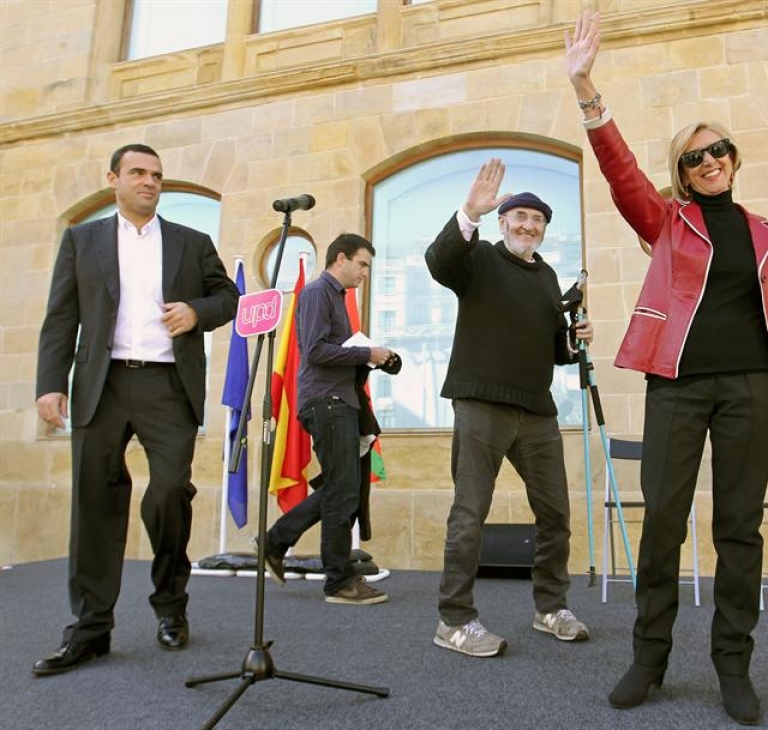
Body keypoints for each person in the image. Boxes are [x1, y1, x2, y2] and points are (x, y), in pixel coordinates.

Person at [564, 12, 768, 725]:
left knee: (740, 529)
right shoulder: (666, 222)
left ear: (735, 159)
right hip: (677, 388)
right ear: (680, 172)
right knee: (665, 524)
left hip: (751, 390)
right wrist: (587, 88)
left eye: (719, 151)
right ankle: (649, 659)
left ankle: (732, 665)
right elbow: (621, 174)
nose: (709, 161)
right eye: (693, 157)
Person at [33, 143, 239, 676]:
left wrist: (197, 311)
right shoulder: (83, 239)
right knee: (96, 505)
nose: (149, 182)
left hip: (168, 386)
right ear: (114, 179)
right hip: (101, 385)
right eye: (138, 173)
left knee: (170, 492)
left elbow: (230, 298)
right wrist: (51, 384)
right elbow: (61, 317)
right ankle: (90, 628)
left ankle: (170, 606)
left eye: (157, 175)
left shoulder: (192, 242)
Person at [426, 162, 594, 658]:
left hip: (537, 411)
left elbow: (551, 348)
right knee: (470, 514)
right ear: (502, 222)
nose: (528, 225)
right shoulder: (477, 257)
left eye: (537, 219)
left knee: (555, 514)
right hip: (481, 404)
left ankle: (550, 608)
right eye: (518, 216)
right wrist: (467, 213)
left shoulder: (546, 277)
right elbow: (440, 262)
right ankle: (454, 620)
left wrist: (572, 340)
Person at [259, 233, 398, 605]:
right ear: (341, 258)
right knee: (343, 490)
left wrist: (375, 358)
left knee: (342, 487)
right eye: (362, 264)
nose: (365, 273)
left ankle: (274, 542)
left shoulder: (335, 297)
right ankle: (337, 581)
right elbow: (317, 349)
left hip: (341, 402)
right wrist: (368, 351)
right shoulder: (317, 292)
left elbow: (336, 351)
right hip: (327, 402)